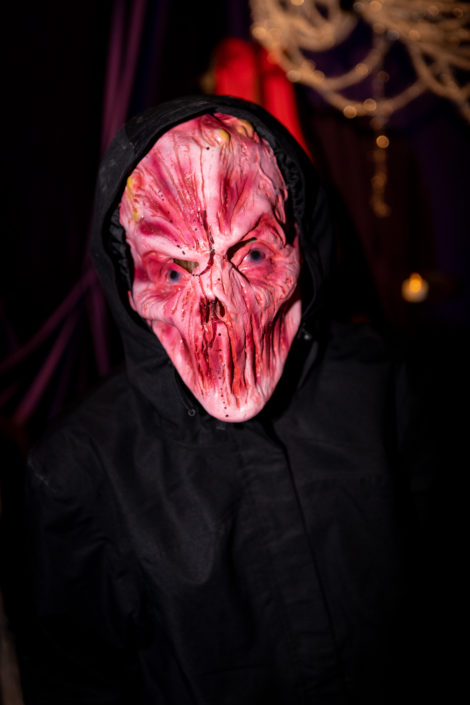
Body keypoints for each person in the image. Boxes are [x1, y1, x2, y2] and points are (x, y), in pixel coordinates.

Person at [18, 96, 409, 704]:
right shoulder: (78, 470)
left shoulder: (385, 387)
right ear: (129, 280)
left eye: (251, 254)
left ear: (300, 241)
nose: (217, 306)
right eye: (175, 272)